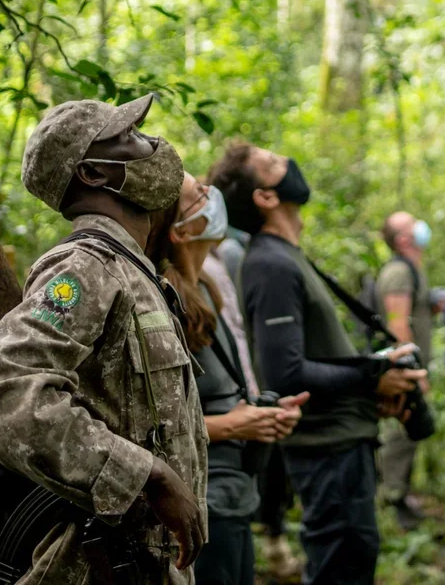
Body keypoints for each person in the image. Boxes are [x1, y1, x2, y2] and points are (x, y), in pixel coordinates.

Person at [0, 94, 208, 583]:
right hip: (100, 566)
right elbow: (7, 389)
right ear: (95, 174)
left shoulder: (135, 273)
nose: (155, 145)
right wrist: (144, 475)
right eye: (132, 137)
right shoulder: (83, 269)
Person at [210, 141, 426, 585]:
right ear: (265, 197)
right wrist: (372, 379)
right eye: (272, 164)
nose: (287, 162)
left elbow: (315, 358)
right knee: (339, 568)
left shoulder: (287, 256)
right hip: (326, 449)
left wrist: (377, 374)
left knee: (352, 561)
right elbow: (283, 374)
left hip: (342, 443)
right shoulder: (270, 263)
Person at [147, 172, 310, 585]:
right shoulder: (162, 298)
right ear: (180, 230)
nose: (211, 195)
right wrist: (234, 425)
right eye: (197, 195)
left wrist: (259, 416)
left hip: (235, 495)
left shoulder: (205, 286)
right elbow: (144, 428)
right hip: (202, 502)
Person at [376, 211, 435, 529]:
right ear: (402, 239)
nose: (421, 228)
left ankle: (400, 495)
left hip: (412, 368)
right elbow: (398, 325)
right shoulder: (399, 272)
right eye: (414, 225)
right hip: (404, 370)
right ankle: (391, 497)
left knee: (410, 433)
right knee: (400, 435)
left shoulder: (411, 270)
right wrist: (414, 374)